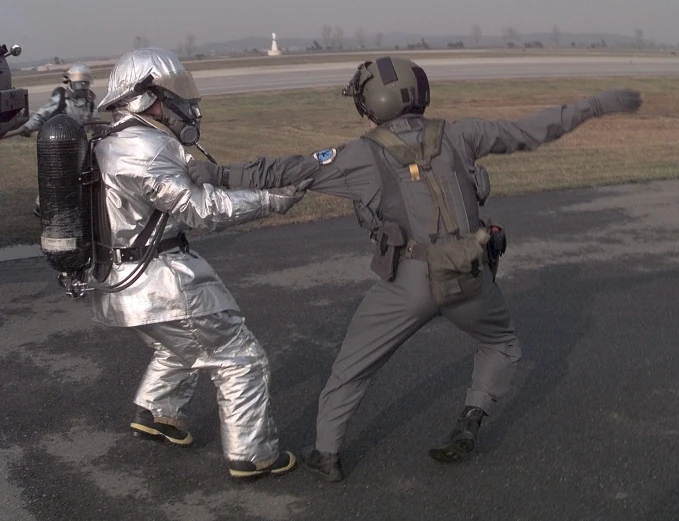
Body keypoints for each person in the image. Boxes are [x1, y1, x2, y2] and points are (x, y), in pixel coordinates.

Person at [188, 56, 643, 482]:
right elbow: (531, 130)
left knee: (352, 367)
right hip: (471, 275)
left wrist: (214, 175)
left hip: (408, 283)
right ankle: (472, 416)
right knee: (500, 344)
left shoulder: (359, 155)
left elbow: (284, 171)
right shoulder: (461, 134)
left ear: (371, 104)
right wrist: (596, 105)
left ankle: (326, 454)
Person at [92, 48, 320, 480]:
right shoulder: (148, 145)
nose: (186, 104)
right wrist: (272, 200)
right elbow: (203, 210)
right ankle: (252, 454)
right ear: (148, 97)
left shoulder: (113, 140)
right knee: (239, 358)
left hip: (120, 283)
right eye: (175, 95)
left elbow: (178, 189)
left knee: (179, 345)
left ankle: (156, 412)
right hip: (159, 279)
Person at [18, 63, 105, 216]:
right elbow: (42, 114)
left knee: (81, 175)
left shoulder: (89, 103)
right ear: (71, 82)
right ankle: (41, 205)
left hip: (80, 144)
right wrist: (28, 127)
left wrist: (104, 130)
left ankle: (78, 205)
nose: (83, 87)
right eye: (80, 83)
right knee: (56, 176)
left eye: (85, 83)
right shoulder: (61, 99)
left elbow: (95, 121)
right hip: (60, 145)